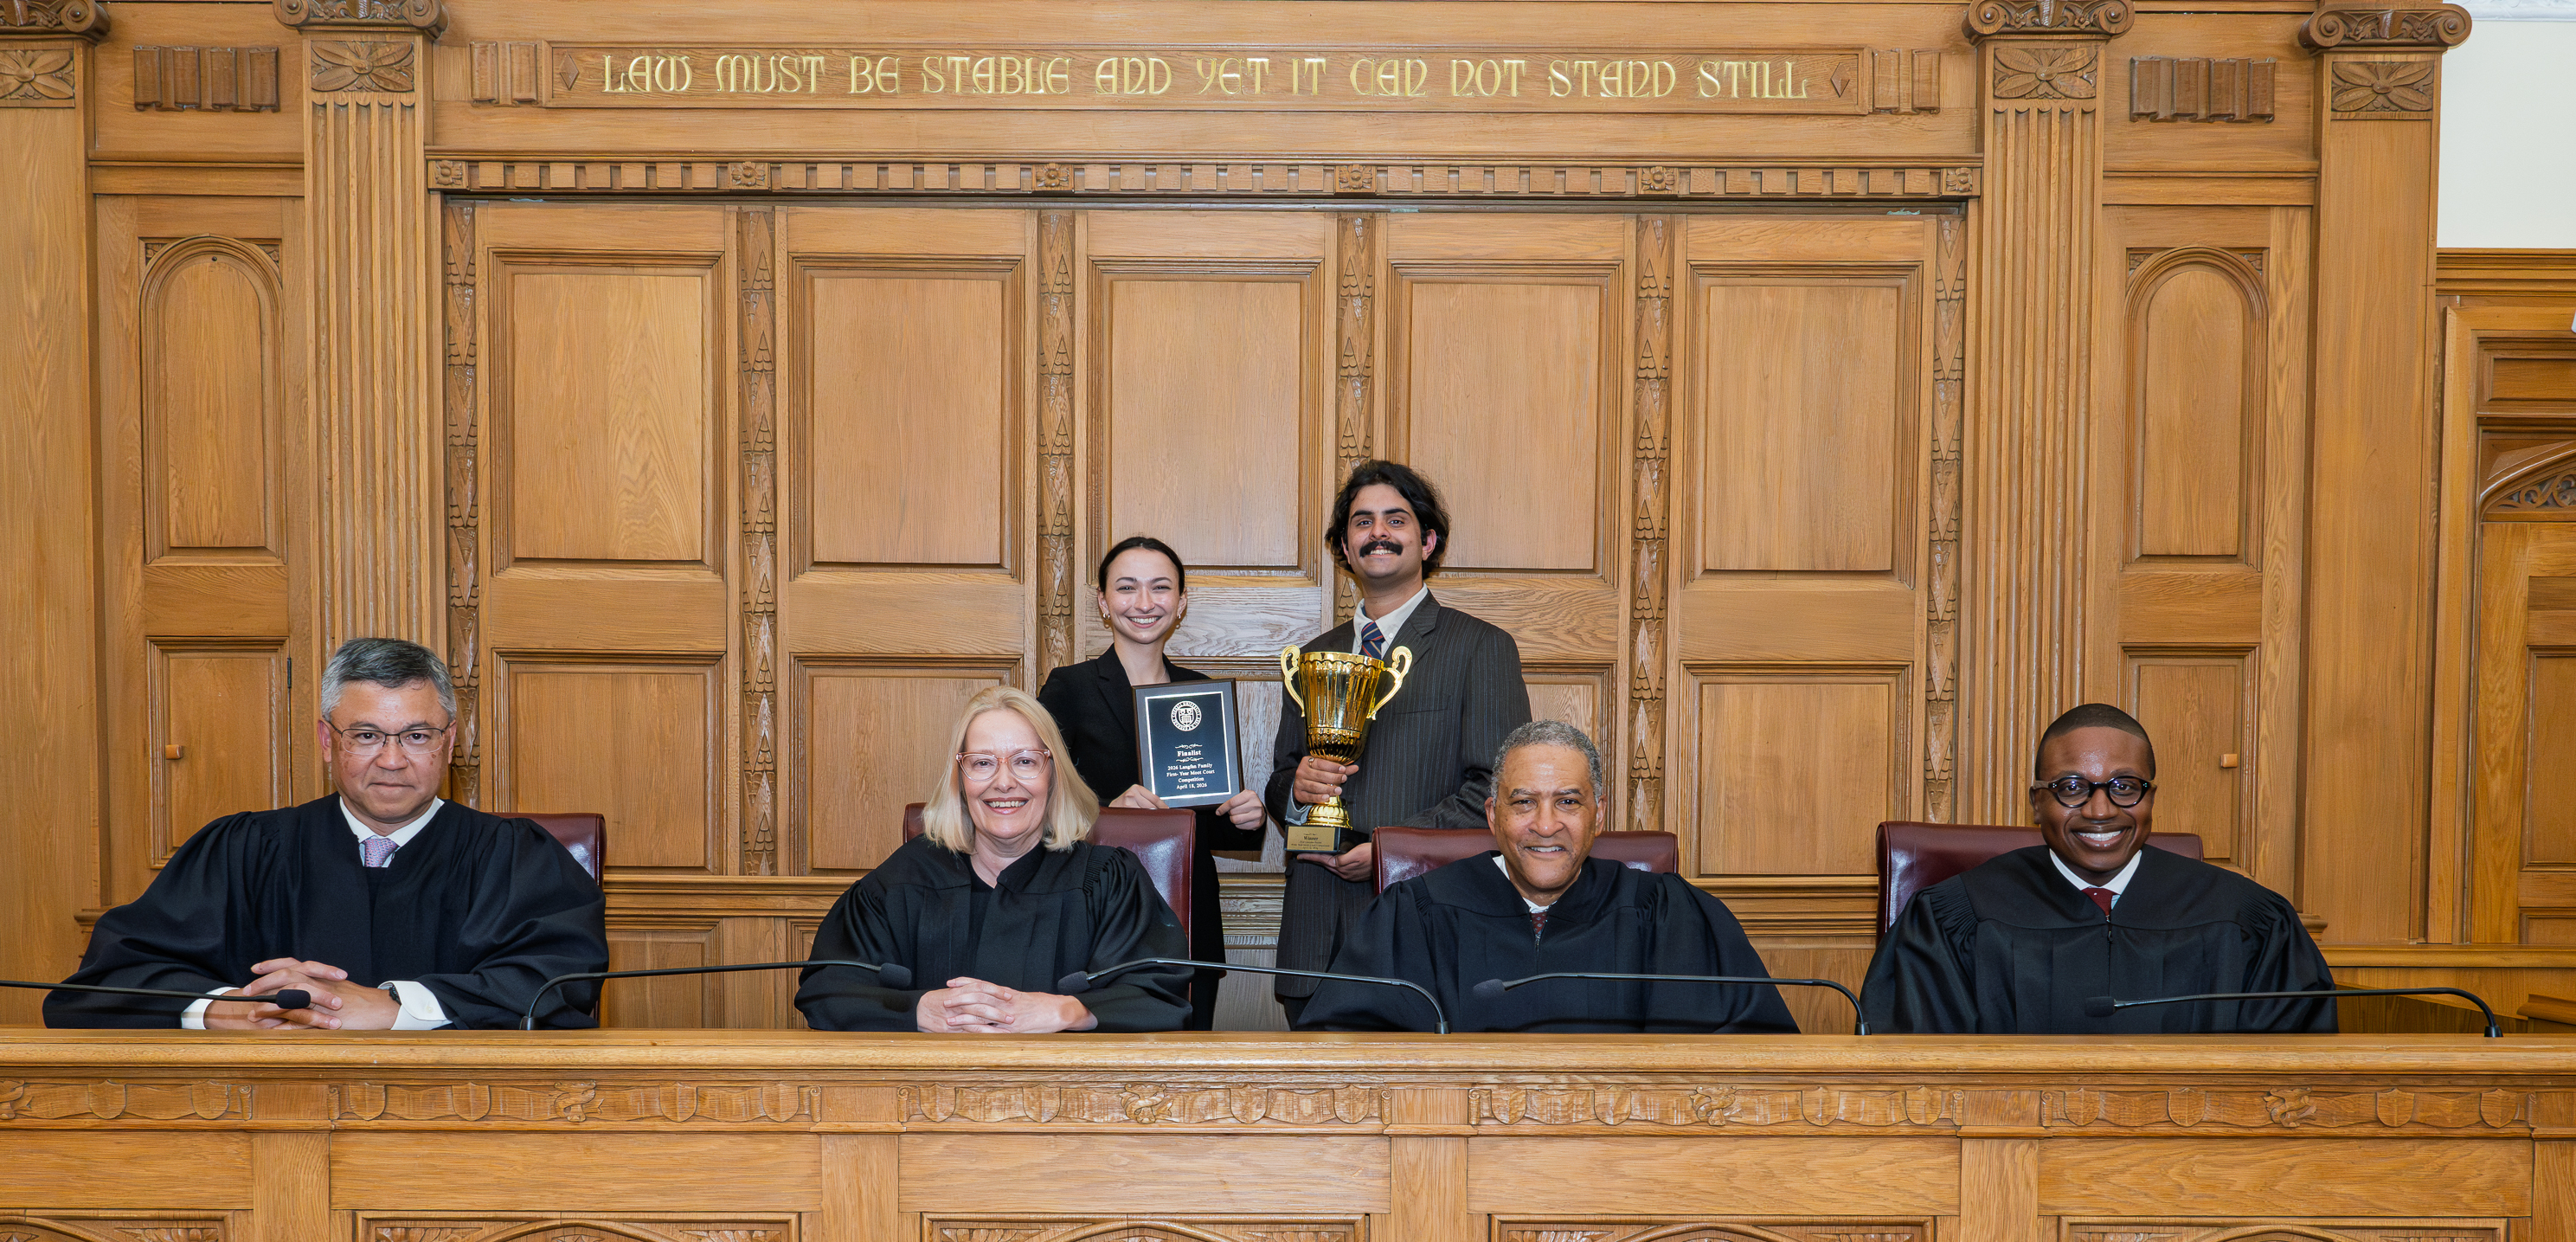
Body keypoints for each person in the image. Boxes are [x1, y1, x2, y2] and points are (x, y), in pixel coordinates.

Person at [46, 638, 607, 1030]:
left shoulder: (517, 859)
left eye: (416, 735)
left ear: (449, 741)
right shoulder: (243, 851)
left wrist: (394, 1007)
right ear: (326, 741)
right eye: (366, 735)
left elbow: (559, 986)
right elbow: (112, 979)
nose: (392, 760)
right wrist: (221, 1009)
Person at [1861, 703, 2336, 1034]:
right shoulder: (1952, 919)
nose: (2100, 810)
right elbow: (1918, 1078)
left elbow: (2293, 1081)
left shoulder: (2249, 921)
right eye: (2072, 787)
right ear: (2037, 803)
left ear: (2151, 798)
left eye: (2125, 786)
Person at [1301, 720, 1797, 1033]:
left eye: (1568, 802)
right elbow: (1346, 1053)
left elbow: (1751, 1056)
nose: (1545, 825)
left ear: (1598, 815)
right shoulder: (1415, 914)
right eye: (1524, 803)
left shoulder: (1667, 915)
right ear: (1492, 816)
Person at [1264, 460, 1531, 1027]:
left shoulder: (1480, 647)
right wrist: (1297, 789)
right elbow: (1281, 780)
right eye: (1362, 522)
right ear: (1344, 546)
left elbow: (1497, 792)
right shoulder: (1312, 657)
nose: (1377, 532)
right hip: (1316, 941)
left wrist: (1391, 853)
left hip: (1428, 933)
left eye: (1395, 519)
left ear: (1427, 540)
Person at [797, 686, 1191, 1033]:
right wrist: (917, 1010)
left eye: (1025, 761)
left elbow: (1158, 995)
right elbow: (827, 988)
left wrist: (1066, 1011)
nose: (1003, 782)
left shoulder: (1107, 880)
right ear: (960, 779)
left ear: (1053, 776)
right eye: (983, 763)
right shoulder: (903, 879)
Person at [1037, 535, 1267, 1030]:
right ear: (1103, 602)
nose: (1144, 602)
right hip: (1095, 910)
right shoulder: (1069, 688)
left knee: (1189, 1063)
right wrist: (1108, 813)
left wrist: (1246, 818)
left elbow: (1209, 819)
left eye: (1160, 588)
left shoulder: (1199, 692)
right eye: (1126, 588)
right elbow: (1036, 801)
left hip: (1188, 914)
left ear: (1181, 602)